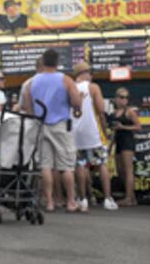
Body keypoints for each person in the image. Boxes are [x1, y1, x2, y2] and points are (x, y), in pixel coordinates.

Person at [22, 49, 82, 212]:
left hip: (40, 125)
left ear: (43, 61)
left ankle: (49, 202)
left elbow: (28, 108)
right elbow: (76, 101)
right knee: (67, 166)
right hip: (61, 125)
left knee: (46, 166)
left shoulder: (31, 82)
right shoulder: (66, 80)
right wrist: (76, 105)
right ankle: (70, 201)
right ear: (57, 62)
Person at [70, 62, 117, 212]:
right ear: (86, 73)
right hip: (93, 132)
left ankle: (83, 199)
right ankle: (108, 199)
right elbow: (101, 112)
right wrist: (105, 130)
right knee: (102, 163)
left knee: (81, 165)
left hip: (76, 133)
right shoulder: (93, 87)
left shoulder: (69, 88)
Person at [110, 87, 141, 207]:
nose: (124, 100)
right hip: (118, 141)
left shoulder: (129, 112)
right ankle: (131, 196)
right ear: (116, 98)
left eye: (126, 97)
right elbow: (113, 131)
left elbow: (138, 127)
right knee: (120, 170)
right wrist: (110, 145)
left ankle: (129, 197)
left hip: (127, 141)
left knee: (128, 170)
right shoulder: (114, 113)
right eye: (121, 97)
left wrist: (123, 127)